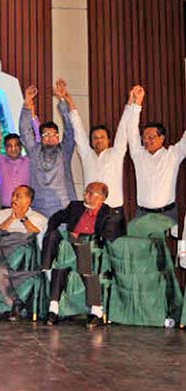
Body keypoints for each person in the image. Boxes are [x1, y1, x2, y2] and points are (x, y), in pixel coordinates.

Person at [41, 182, 125, 327]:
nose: (86, 195)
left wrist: (81, 237)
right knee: (57, 247)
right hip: (69, 246)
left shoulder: (112, 215)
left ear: (102, 198)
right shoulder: (75, 207)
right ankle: (53, 309)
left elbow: (108, 237)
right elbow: (55, 218)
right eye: (86, 192)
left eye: (90, 193)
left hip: (91, 252)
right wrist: (55, 230)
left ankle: (96, 312)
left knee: (81, 259)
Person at [0, 185, 48, 321]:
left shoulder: (38, 217)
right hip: (0, 247)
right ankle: (16, 302)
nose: (14, 198)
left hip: (14, 244)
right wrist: (11, 218)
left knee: (22, 237)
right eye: (13, 195)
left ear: (29, 200)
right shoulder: (1, 214)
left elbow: (35, 234)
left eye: (19, 195)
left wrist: (23, 218)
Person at [66, 80, 132, 213]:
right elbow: (78, 130)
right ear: (91, 141)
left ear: (109, 140)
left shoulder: (116, 153)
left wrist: (131, 102)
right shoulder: (86, 155)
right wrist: (69, 101)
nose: (98, 140)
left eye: (102, 137)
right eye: (95, 138)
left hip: (113, 209)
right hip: (90, 209)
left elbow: (123, 128)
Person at [126, 85, 186, 224]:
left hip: (167, 213)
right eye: (145, 137)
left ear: (162, 138)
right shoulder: (138, 154)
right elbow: (131, 129)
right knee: (141, 245)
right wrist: (137, 103)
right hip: (142, 213)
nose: (147, 140)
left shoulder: (173, 154)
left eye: (151, 137)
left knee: (167, 246)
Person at [19, 84, 77, 218]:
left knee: (60, 238)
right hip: (38, 206)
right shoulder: (34, 150)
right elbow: (25, 130)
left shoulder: (64, 151)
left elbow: (70, 128)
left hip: (62, 205)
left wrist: (62, 100)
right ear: (40, 138)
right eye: (46, 135)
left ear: (58, 137)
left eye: (54, 134)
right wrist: (27, 102)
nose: (50, 138)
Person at [0, 134, 31, 208]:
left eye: (16, 145)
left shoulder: (29, 161)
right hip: (6, 209)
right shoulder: (0, 161)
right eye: (9, 146)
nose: (13, 148)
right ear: (5, 148)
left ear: (21, 147)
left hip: (26, 208)